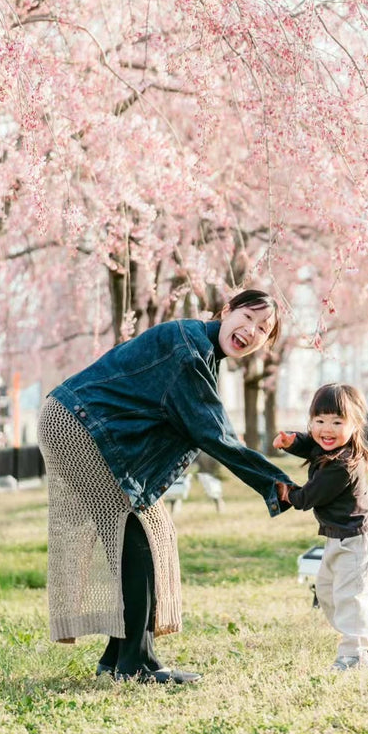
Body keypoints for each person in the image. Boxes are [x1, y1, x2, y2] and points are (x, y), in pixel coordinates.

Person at [37, 288, 294, 685]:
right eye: (247, 317)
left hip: (87, 426)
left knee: (154, 532)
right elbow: (216, 434)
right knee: (137, 539)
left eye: (263, 330)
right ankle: (135, 664)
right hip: (78, 427)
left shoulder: (201, 350)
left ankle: (119, 655)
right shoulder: (189, 351)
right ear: (226, 310)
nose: (251, 331)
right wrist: (274, 482)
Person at [273, 383, 368, 673]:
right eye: (320, 421)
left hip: (358, 542)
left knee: (350, 597)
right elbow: (311, 444)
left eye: (337, 422)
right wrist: (292, 443)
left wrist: (287, 494)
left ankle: (354, 656)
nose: (327, 429)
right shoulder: (326, 447)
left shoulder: (343, 465)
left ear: (355, 424)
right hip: (338, 538)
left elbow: (310, 496)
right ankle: (365, 634)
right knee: (327, 593)